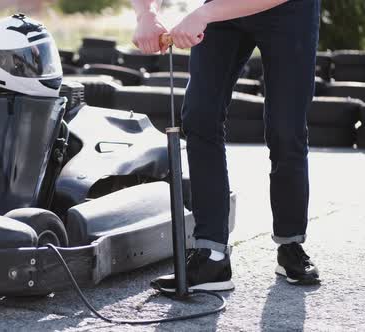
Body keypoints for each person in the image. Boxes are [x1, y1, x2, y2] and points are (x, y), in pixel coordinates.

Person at [132, 0, 321, 290]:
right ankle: (212, 256)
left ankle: (290, 244)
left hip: (288, 11)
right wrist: (146, 14)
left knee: (286, 127)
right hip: (221, 9)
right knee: (199, 116)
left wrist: (203, 14)